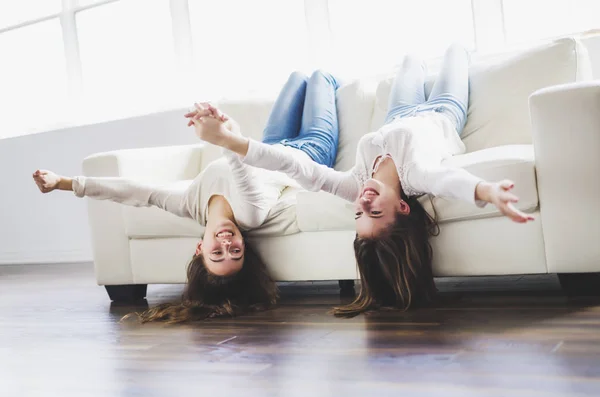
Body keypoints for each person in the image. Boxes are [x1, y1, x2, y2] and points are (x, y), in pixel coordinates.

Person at [189, 44, 534, 318]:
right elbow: (449, 180)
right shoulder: (417, 175)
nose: (363, 204)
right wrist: (487, 191)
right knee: (456, 52)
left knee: (410, 59)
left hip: (396, 115)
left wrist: (230, 142)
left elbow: (297, 168)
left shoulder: (355, 186)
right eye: (375, 213)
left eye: (358, 215)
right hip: (443, 110)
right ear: (401, 206)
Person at [32, 70, 341, 323]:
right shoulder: (250, 214)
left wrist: (64, 183)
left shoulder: (189, 203)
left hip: (270, 143)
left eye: (217, 254)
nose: (226, 244)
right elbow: (236, 157)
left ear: (199, 248)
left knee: (298, 78)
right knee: (319, 77)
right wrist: (222, 130)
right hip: (311, 151)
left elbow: (136, 191)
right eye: (236, 253)